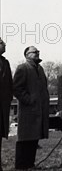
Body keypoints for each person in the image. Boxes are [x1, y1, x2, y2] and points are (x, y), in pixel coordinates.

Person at [13, 46, 49, 170]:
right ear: (27, 55)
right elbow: (17, 88)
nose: (38, 53)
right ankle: (21, 166)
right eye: (35, 52)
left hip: (38, 110)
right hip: (28, 111)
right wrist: (29, 100)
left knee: (34, 137)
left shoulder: (40, 68)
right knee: (24, 139)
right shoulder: (23, 68)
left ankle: (30, 164)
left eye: (38, 51)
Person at [0, 38, 13, 171]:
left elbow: (9, 82)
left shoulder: (5, 62)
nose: (4, 45)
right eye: (1, 43)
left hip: (3, 105)